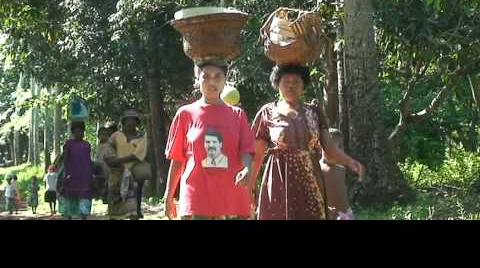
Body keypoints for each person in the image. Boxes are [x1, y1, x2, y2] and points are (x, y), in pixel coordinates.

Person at [250, 64, 365, 220]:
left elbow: (329, 148)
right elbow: (256, 155)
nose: (291, 85)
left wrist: (350, 162)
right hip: (278, 178)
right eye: (286, 81)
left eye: (296, 81)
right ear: (277, 84)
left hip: (310, 178)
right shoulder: (267, 112)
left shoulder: (315, 111)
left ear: (303, 85)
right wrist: (250, 185)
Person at [164, 61, 255, 220]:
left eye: (217, 76)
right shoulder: (185, 114)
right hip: (197, 196)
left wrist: (247, 168)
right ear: (197, 80)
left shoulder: (237, 115)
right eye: (206, 77)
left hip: (231, 195)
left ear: (225, 80)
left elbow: (246, 150)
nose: (212, 82)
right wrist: (168, 196)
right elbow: (177, 159)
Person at [104, 109, 146, 220]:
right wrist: (125, 160)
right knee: (114, 212)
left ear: (137, 122)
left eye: (133, 120)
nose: (131, 123)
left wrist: (118, 160)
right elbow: (107, 157)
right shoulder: (115, 136)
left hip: (132, 178)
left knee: (133, 211)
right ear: (124, 122)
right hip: (115, 179)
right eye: (128, 120)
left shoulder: (141, 137)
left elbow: (139, 156)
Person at [59, 121, 93, 220]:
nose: (80, 133)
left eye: (82, 131)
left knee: (84, 206)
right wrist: (65, 174)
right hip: (71, 178)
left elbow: (88, 160)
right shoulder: (68, 144)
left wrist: (91, 175)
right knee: (69, 204)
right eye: (78, 131)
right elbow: (65, 160)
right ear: (73, 132)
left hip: (85, 178)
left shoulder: (87, 144)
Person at [320, 129, 354, 220]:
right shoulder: (319, 169)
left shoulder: (341, 168)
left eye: (341, 146)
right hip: (330, 214)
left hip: (346, 213)